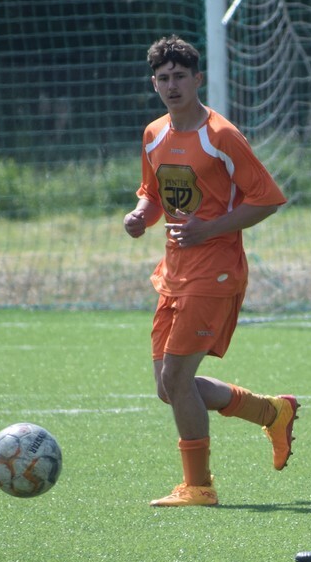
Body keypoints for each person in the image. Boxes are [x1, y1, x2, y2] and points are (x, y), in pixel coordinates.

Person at [124, 34, 298, 507]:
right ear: (154, 83)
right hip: (172, 274)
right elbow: (153, 194)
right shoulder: (153, 134)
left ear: (197, 79)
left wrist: (211, 228)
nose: (172, 85)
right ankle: (271, 412)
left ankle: (199, 487)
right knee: (169, 388)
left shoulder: (221, 135)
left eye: (180, 76)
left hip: (216, 273)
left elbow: (267, 199)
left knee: (178, 381)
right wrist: (140, 215)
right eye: (163, 78)